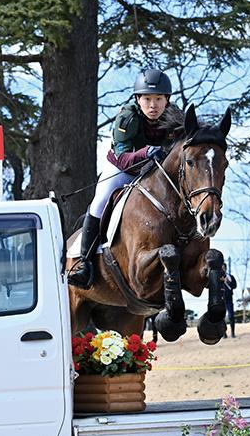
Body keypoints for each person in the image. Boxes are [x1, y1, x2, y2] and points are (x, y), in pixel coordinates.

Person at [69, 69, 178, 289]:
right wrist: (146, 152)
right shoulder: (128, 117)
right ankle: (84, 264)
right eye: (147, 99)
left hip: (154, 173)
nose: (153, 105)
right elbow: (122, 157)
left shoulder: (175, 117)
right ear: (138, 99)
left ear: (167, 99)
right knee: (99, 203)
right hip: (122, 169)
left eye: (158, 99)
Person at [223, 268, 238, 338]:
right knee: (221, 317)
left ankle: (233, 333)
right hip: (221, 299)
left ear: (226, 269)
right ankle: (224, 333)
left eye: (223, 268)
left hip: (229, 298)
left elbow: (235, 286)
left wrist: (228, 282)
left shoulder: (230, 276)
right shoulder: (218, 277)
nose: (222, 269)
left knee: (231, 316)